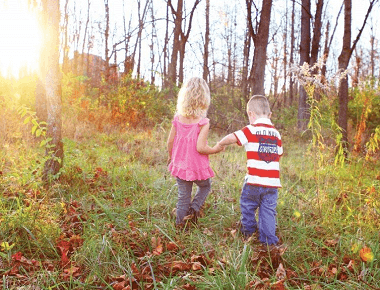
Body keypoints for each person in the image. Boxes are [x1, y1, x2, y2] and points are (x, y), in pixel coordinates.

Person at [217, 95, 283, 245]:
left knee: (247, 205)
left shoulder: (251, 129)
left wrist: (221, 143)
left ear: (251, 114)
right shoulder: (276, 134)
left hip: (254, 180)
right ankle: (268, 241)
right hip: (272, 183)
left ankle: (249, 232)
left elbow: (233, 137)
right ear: (270, 115)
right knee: (268, 212)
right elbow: (279, 153)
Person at [167, 77, 224, 227]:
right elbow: (201, 148)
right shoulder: (202, 122)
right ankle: (194, 209)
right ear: (204, 98)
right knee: (205, 186)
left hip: (180, 164)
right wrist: (215, 149)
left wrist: (171, 157)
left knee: (183, 197)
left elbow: (170, 142)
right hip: (197, 167)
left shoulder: (178, 119)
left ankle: (180, 226)